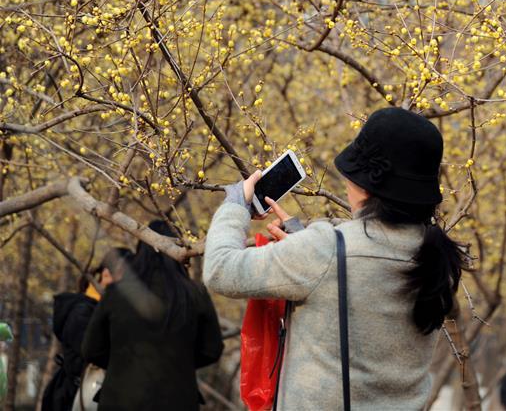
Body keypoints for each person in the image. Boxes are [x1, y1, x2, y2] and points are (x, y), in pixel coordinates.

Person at [204, 107, 467, 410]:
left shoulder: (326, 249)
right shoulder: (436, 255)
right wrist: (303, 240)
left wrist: (235, 205)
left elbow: (220, 269)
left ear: (366, 185)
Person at [82, 221, 224, 410]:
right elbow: (212, 349)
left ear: (140, 252)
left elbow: (91, 349)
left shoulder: (117, 292)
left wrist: (121, 364)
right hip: (178, 400)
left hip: (121, 398)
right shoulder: (194, 293)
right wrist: (179, 362)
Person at [41, 248, 131, 411]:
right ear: (106, 274)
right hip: (78, 395)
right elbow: (96, 352)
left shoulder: (110, 309)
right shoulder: (82, 311)